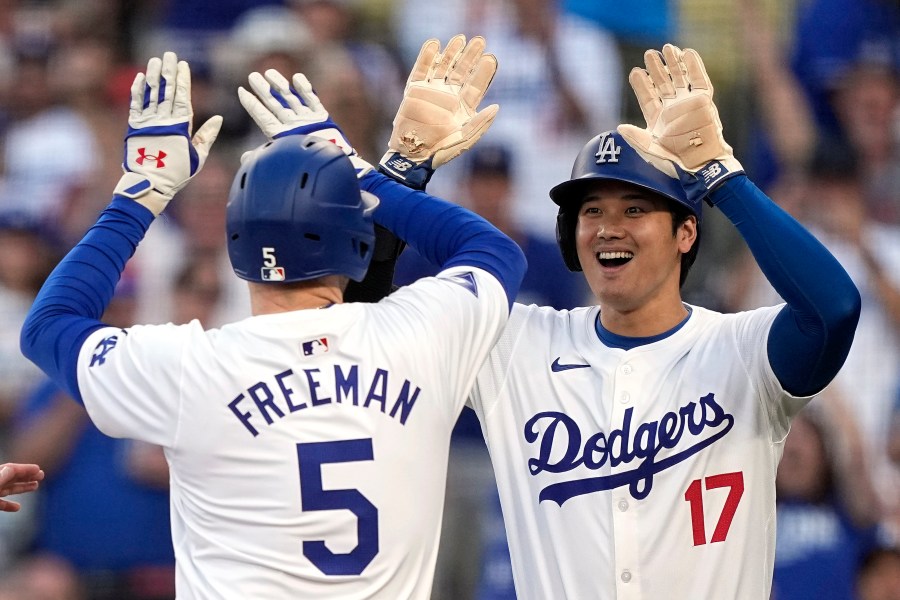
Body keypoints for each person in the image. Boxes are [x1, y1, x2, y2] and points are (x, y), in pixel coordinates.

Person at [19, 44, 525, 600]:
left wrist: (140, 193)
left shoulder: (193, 366)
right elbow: (491, 251)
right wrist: (368, 173)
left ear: (237, 251)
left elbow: (48, 325)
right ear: (356, 245)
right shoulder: (417, 336)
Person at [356, 43, 862, 598]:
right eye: (591, 210)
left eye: (635, 209)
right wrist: (400, 175)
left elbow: (833, 308)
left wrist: (722, 177)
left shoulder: (741, 348)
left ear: (685, 234)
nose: (608, 227)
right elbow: (362, 321)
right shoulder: (515, 344)